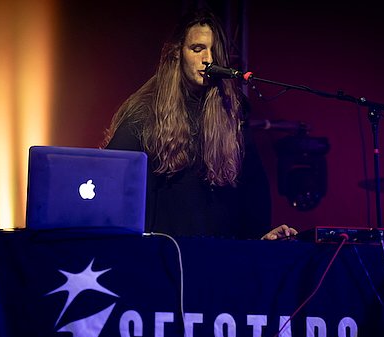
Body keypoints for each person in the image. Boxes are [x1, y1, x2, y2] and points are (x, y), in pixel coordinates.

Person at [103, 8, 296, 241]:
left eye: (214, 51)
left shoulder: (233, 111)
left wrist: (261, 235)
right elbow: (111, 175)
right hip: (165, 251)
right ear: (177, 53)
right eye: (197, 49)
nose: (208, 59)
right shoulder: (146, 111)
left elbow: (253, 186)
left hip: (220, 251)